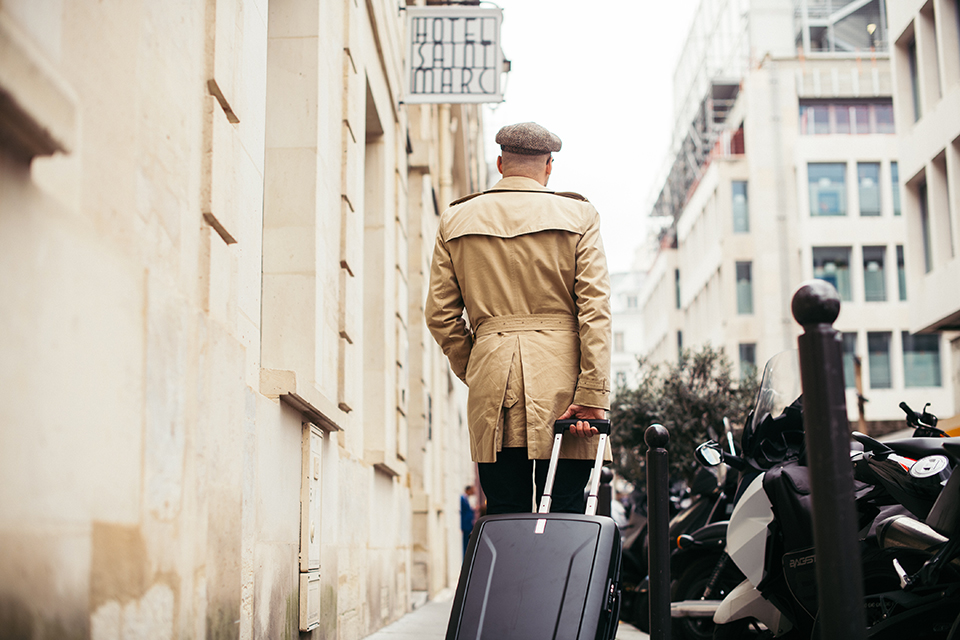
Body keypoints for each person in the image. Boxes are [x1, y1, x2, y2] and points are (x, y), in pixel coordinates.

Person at [425, 122, 611, 515]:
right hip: (566, 390)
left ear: (499, 163)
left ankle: (507, 579)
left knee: (503, 511)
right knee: (565, 511)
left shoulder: (456, 219)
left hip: (494, 382)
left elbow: (440, 317)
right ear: (548, 167)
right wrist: (592, 395)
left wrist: (478, 368)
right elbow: (595, 310)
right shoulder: (579, 215)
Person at [460, 485, 476, 554]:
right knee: (465, 543)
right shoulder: (462, 499)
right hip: (465, 525)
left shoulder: (466, 499)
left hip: (468, 524)